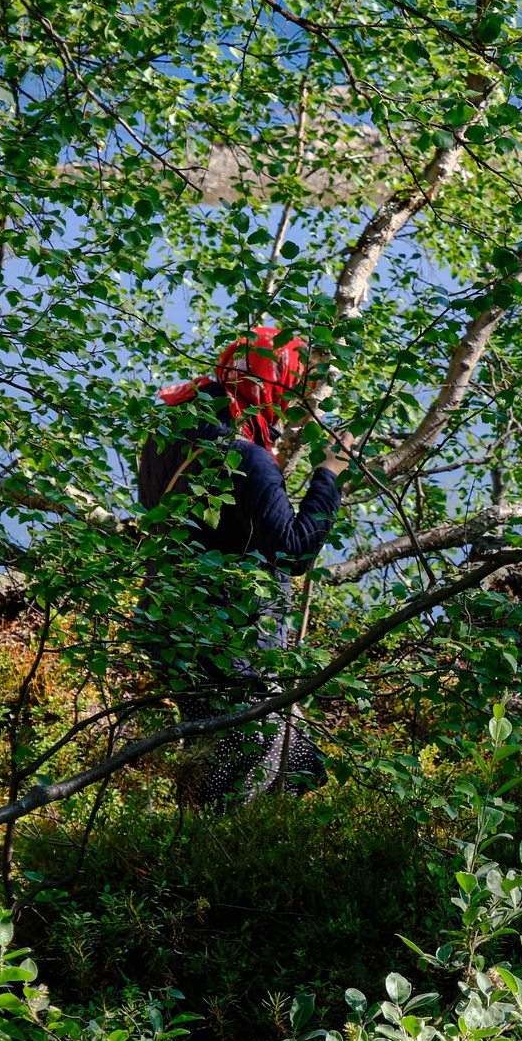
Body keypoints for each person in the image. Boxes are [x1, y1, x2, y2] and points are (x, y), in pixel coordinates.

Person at [138, 328, 349, 806]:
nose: (292, 407)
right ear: (269, 384)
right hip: (230, 631)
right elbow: (295, 551)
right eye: (292, 387)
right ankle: (214, 864)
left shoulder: (164, 434)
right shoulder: (247, 458)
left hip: (167, 617)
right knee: (241, 765)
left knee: (291, 762)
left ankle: (241, 848)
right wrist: (329, 474)